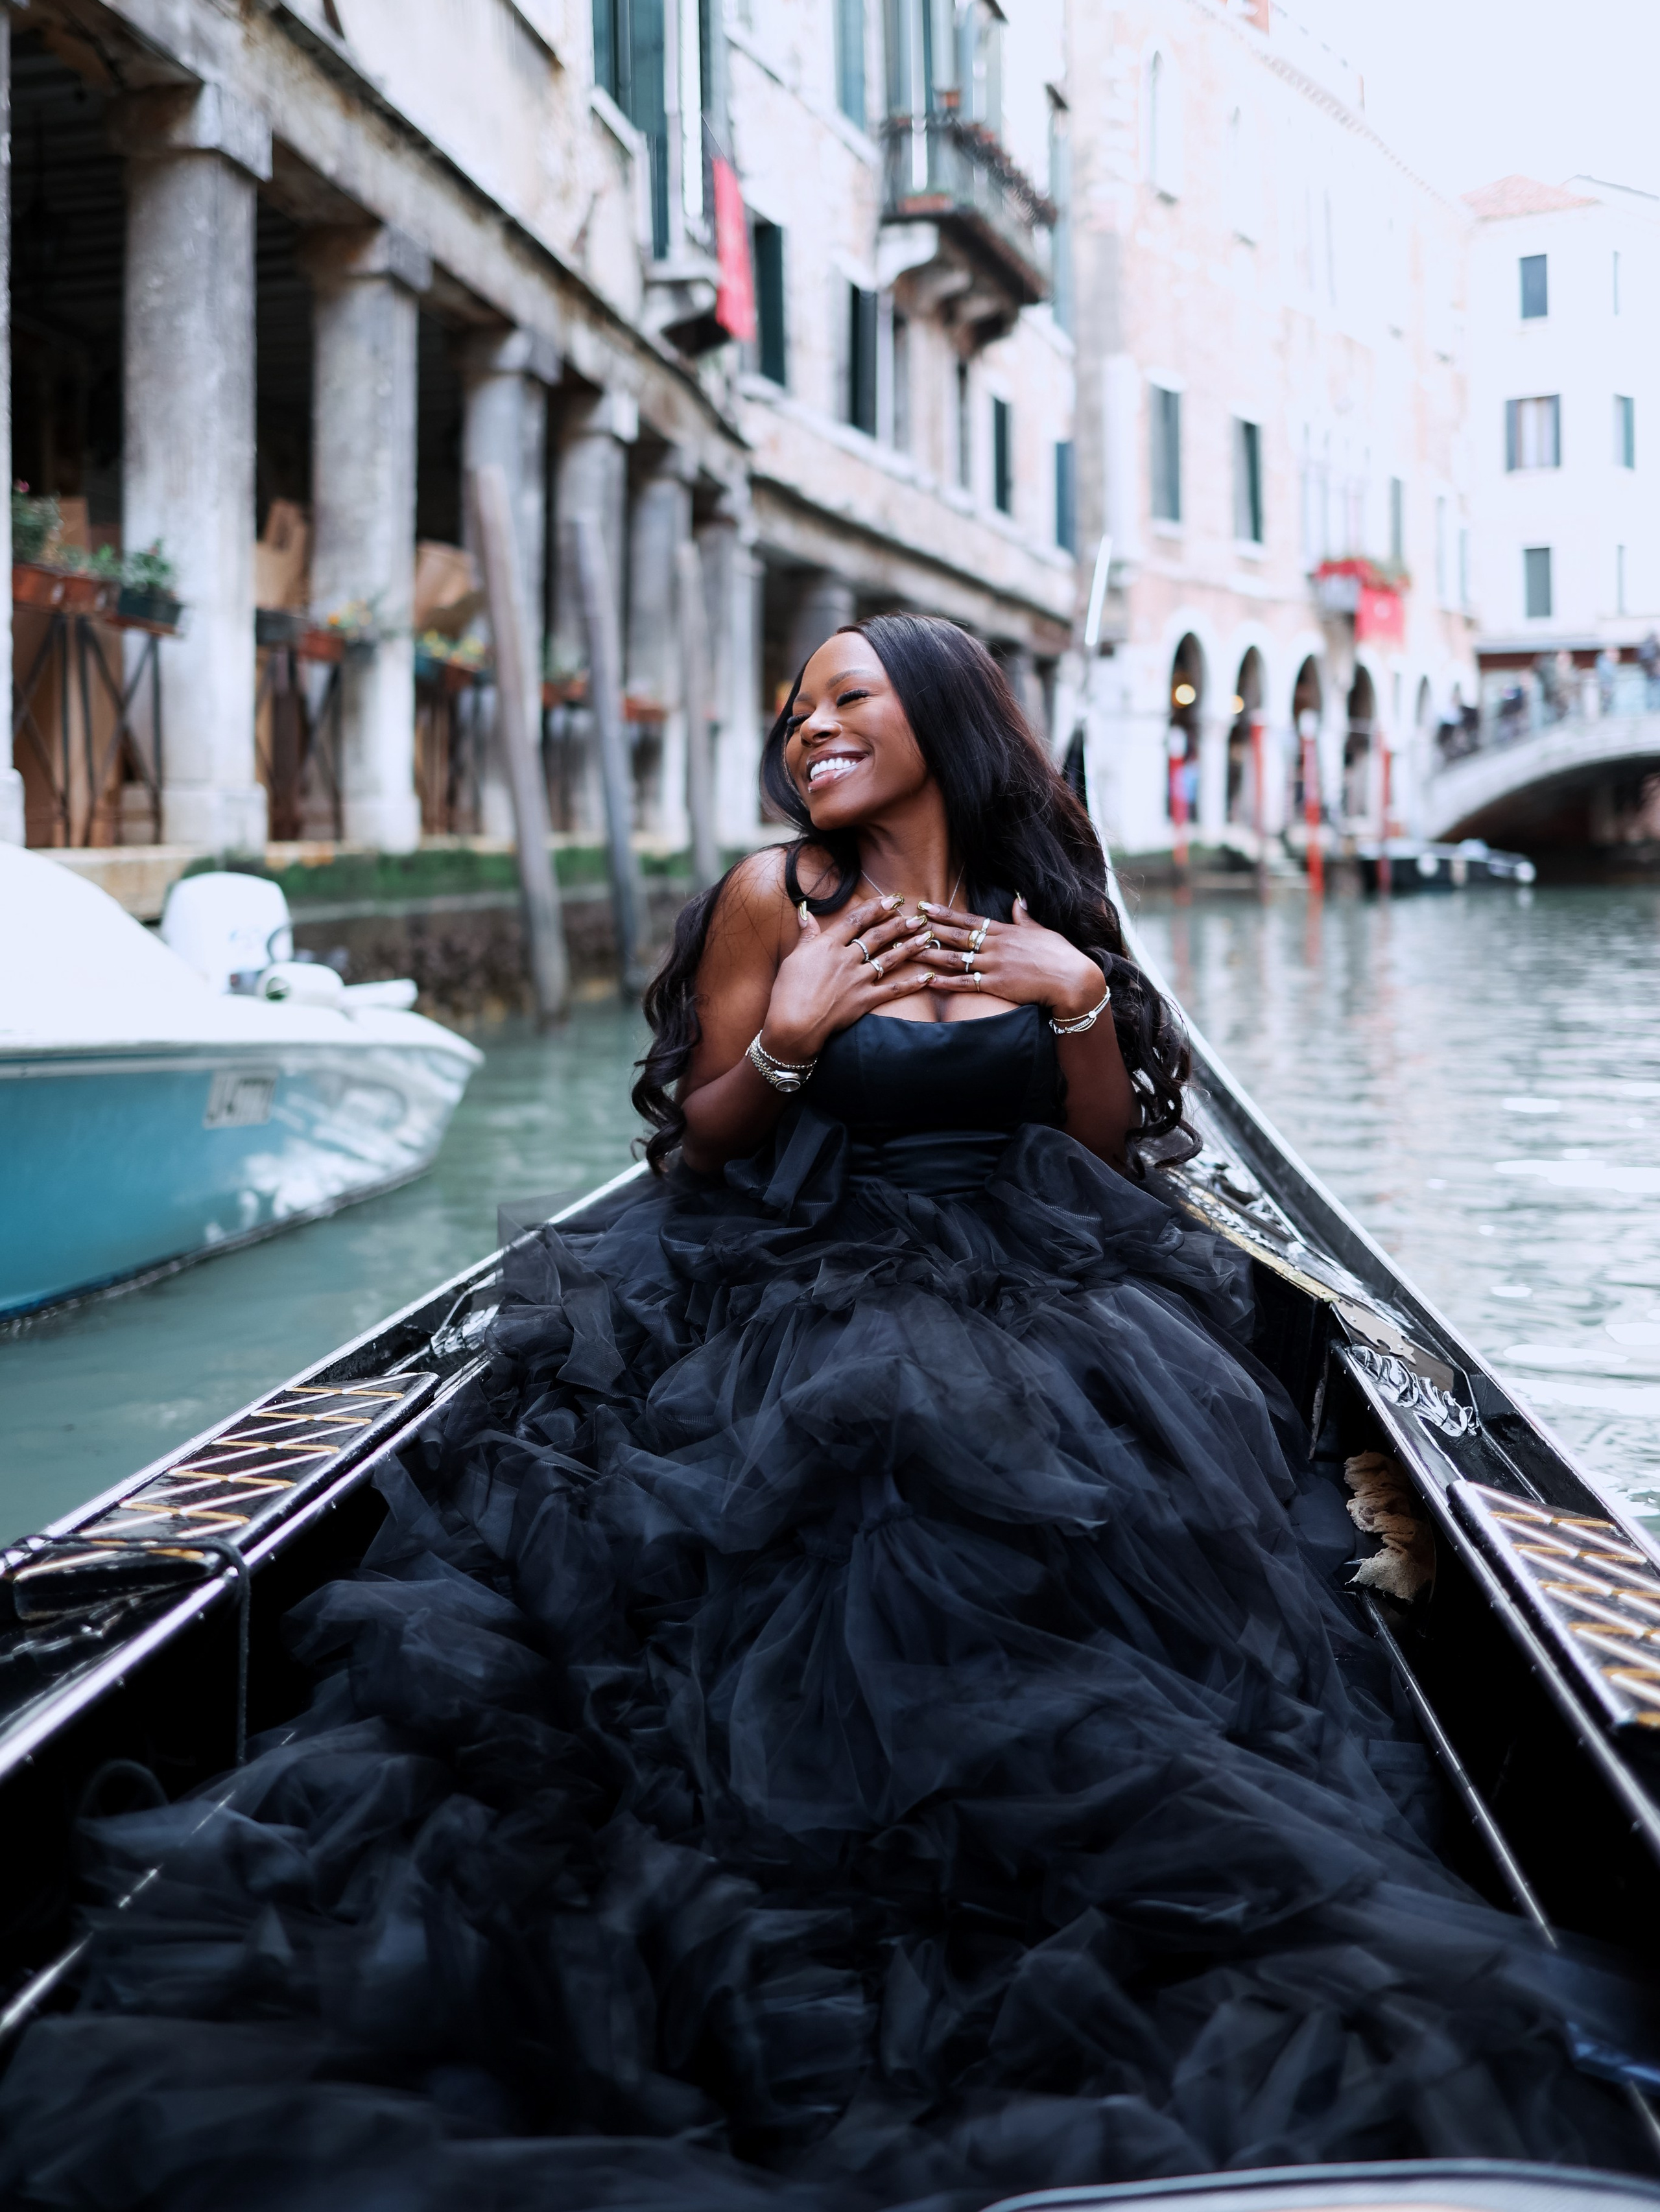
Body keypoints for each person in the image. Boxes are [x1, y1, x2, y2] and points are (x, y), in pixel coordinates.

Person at [3, 615, 1655, 2210]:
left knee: (1074, 1464)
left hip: (1039, 1259)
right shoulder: (764, 896)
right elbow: (702, 1144)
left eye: (847, 698)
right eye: (796, 709)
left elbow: (1097, 1152)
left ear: (940, 719)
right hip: (798, 1264)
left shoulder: (1035, 902)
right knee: (881, 1445)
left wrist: (1069, 989)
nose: (811, 727)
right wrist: (792, 1034)